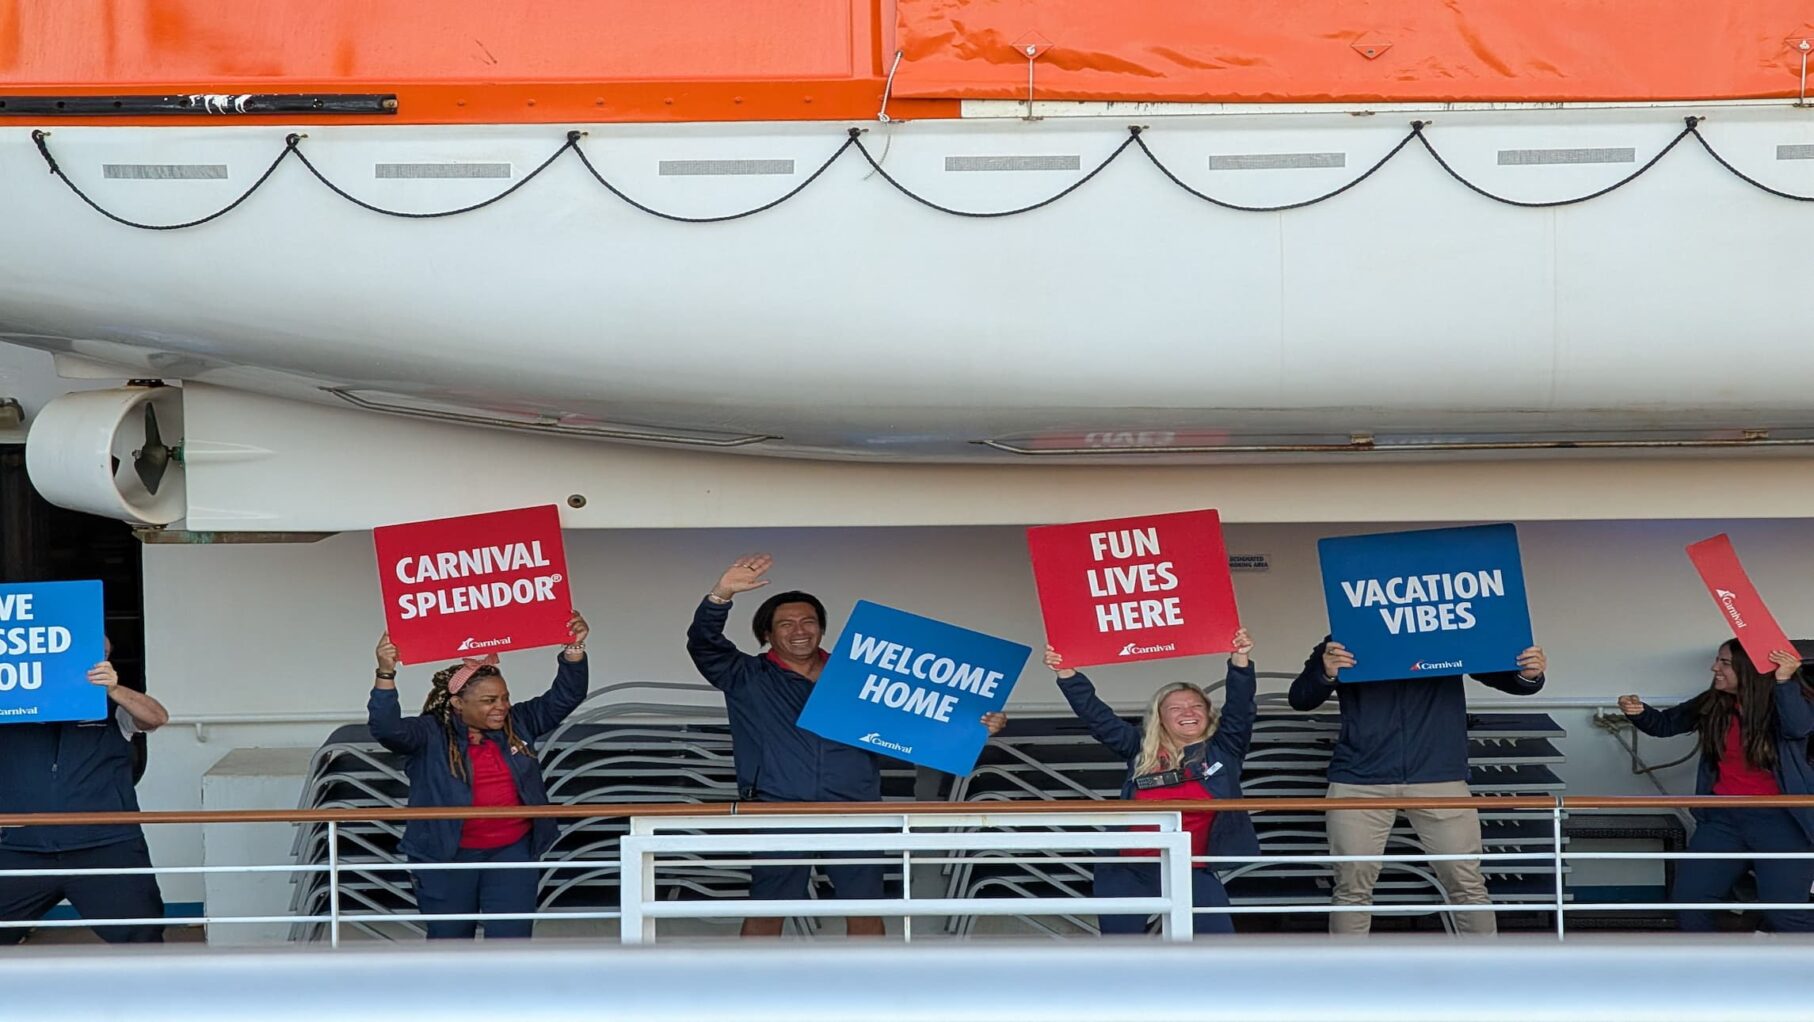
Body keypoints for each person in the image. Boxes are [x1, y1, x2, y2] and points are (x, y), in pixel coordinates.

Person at [687, 553, 1006, 937]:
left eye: (808, 622)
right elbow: (704, 644)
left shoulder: (859, 675)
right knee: (768, 910)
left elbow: (921, 719)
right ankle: (756, 997)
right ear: (767, 635)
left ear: (822, 629)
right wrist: (721, 595)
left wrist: (977, 727)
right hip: (779, 807)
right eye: (785, 624)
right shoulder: (746, 676)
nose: (799, 630)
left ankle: (869, 996)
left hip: (856, 805)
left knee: (865, 909)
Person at [1289, 636, 1547, 936]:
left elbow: (1498, 672)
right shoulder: (1345, 636)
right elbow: (1301, 698)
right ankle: (1350, 978)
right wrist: (1326, 672)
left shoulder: (1444, 630)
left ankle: (1483, 975)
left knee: (1466, 883)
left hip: (1439, 775)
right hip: (1360, 778)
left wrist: (1528, 675)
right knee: (1351, 887)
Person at [368, 612, 590, 940]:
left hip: (512, 851)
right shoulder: (430, 732)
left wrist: (574, 650)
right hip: (447, 855)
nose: (501, 706)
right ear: (458, 703)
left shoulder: (519, 722)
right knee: (450, 941)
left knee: (511, 941)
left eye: (504, 698)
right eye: (488, 701)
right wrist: (386, 672)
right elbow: (386, 729)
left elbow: (564, 697)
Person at [1045, 628, 1259, 936]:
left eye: (1196, 706)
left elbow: (1240, 709)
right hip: (1127, 869)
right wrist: (1067, 673)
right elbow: (1098, 718)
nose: (1188, 712)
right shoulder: (1139, 747)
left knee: (1218, 946)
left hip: (1191, 869)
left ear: (1208, 713)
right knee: (1123, 955)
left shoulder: (1224, 749)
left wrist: (1240, 660)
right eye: (1176, 708)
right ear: (1161, 717)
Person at [1618, 642, 1814, 932]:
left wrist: (1783, 681)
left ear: (1748, 670)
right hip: (1724, 821)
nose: (1715, 669)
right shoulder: (1714, 702)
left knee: (1785, 914)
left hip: (1783, 822)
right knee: (1690, 901)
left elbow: (1799, 727)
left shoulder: (1787, 702)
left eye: (1724, 663)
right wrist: (1637, 712)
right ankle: (1707, 972)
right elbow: (1664, 725)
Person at [0, 649, 170, 944]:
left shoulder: (108, 706)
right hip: (19, 847)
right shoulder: (10, 706)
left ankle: (150, 991)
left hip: (105, 846)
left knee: (142, 939)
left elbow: (156, 717)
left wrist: (114, 689)